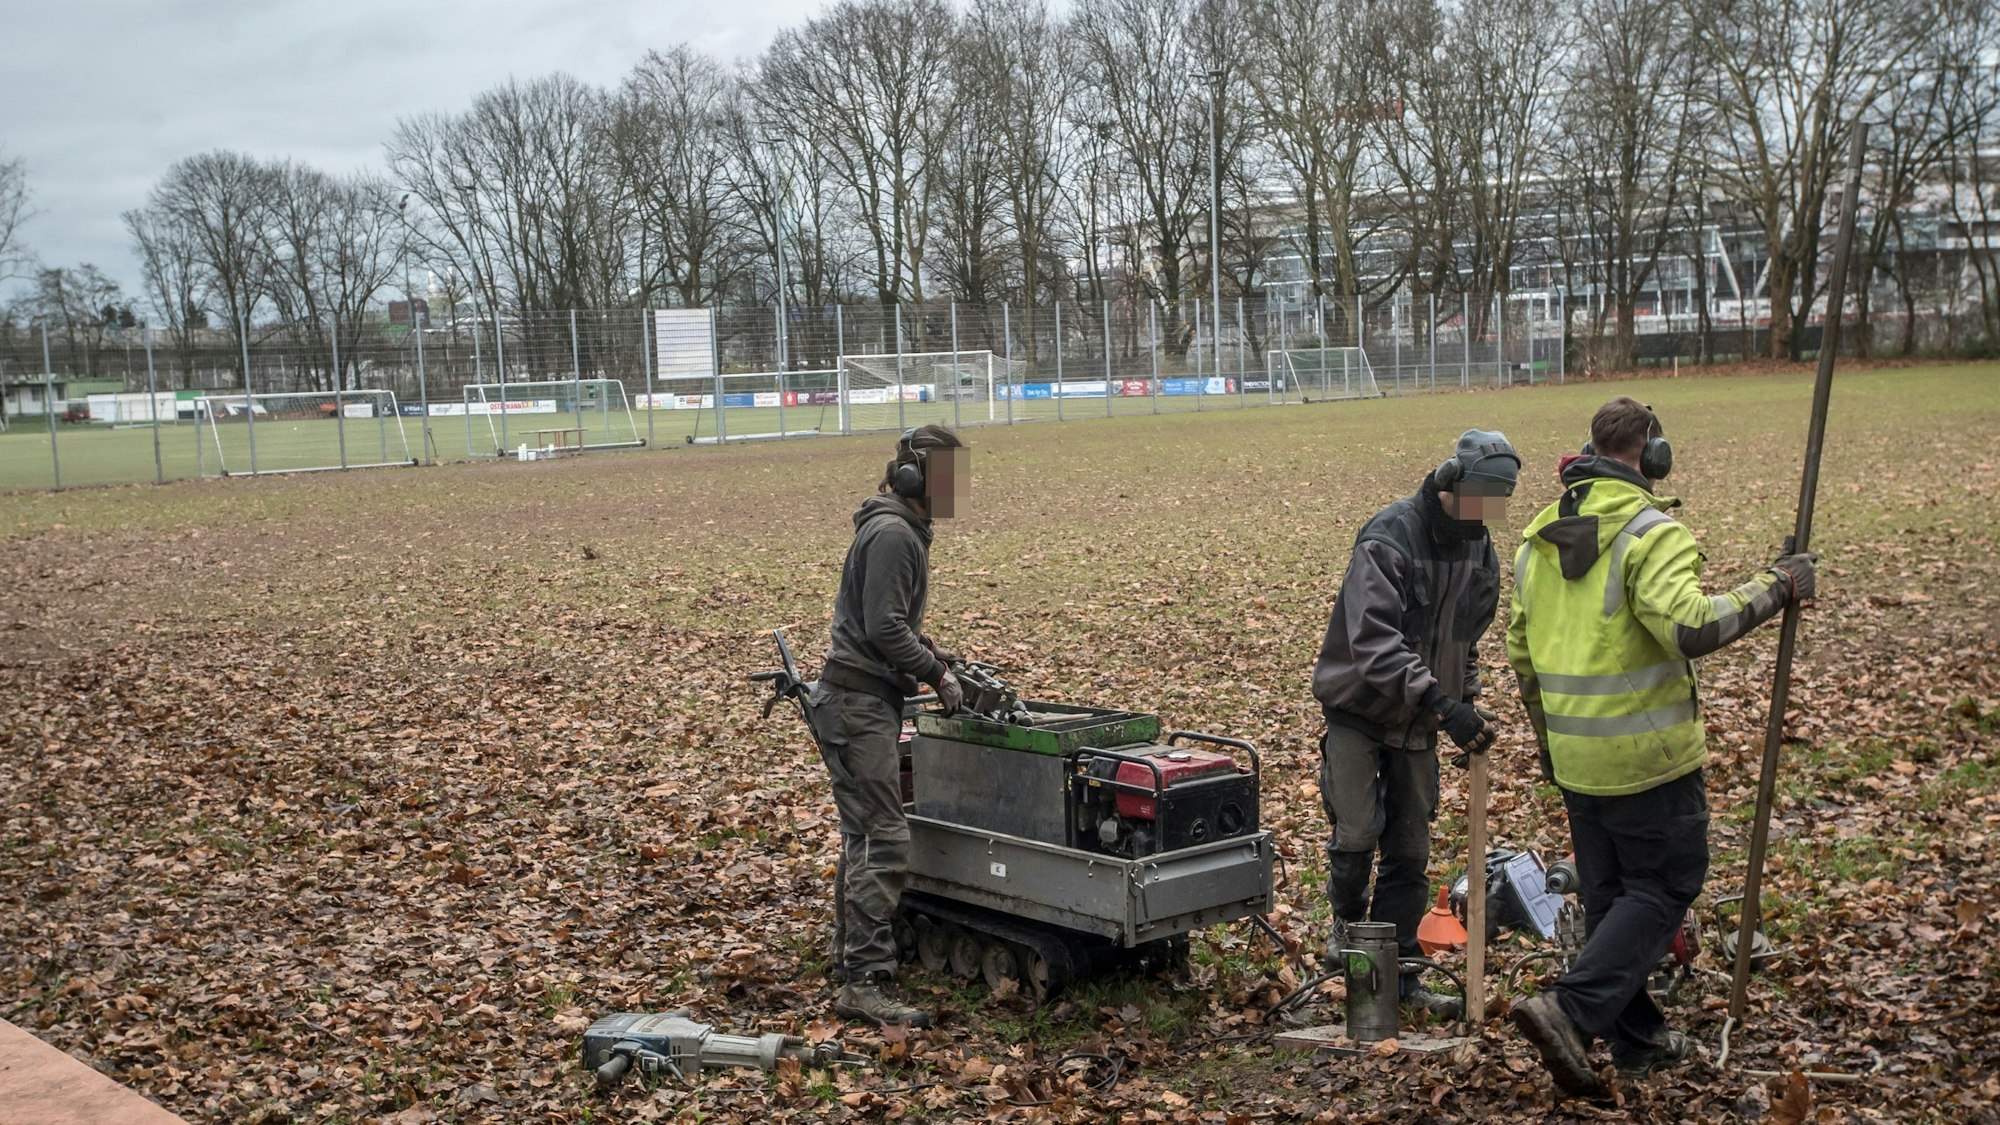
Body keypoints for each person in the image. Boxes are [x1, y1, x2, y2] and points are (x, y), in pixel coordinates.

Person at [1505, 397, 1816, 1097]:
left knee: (1614, 898)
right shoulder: (1651, 532)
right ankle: (1572, 1009)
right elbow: (1690, 628)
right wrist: (1778, 585)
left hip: (1579, 760)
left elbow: (1522, 653)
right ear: (1652, 454)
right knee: (1665, 886)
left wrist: (1549, 746)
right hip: (1648, 759)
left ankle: (1639, 1039)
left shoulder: (1534, 542)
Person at [1311, 429, 1521, 1019]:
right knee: (1356, 831)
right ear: (1453, 483)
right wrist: (1444, 705)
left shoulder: (1481, 553)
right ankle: (1347, 932)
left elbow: (1465, 640)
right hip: (1359, 708)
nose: (1488, 516)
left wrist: (1466, 704)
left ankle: (1400, 978)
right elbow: (1375, 645)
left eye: (1498, 503)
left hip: (1423, 719)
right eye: (1482, 498)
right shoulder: (1390, 536)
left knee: (1409, 847)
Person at [811, 424, 969, 1028]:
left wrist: (941, 659)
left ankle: (850, 957)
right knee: (886, 837)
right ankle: (864, 981)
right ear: (917, 480)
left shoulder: (895, 530)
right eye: (951, 478)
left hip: (857, 701)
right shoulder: (895, 534)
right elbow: (883, 628)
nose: (959, 491)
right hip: (858, 705)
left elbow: (894, 622)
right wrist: (937, 675)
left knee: (861, 835)